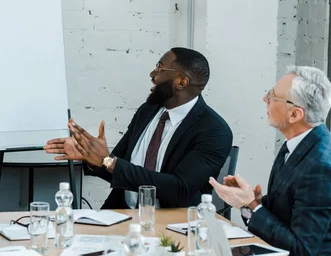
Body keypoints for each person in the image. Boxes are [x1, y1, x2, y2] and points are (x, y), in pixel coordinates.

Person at [210, 66, 331, 256]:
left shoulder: (321, 167)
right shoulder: (298, 143)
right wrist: (252, 201)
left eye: (273, 96)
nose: (264, 99)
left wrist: (251, 206)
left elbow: (301, 250)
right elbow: (288, 209)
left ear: (295, 114)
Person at [45, 47, 233, 208]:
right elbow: (119, 170)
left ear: (181, 82)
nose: (152, 74)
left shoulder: (215, 131)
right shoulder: (148, 111)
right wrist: (90, 156)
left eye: (159, 68)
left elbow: (179, 188)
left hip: (172, 227)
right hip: (121, 215)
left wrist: (109, 161)